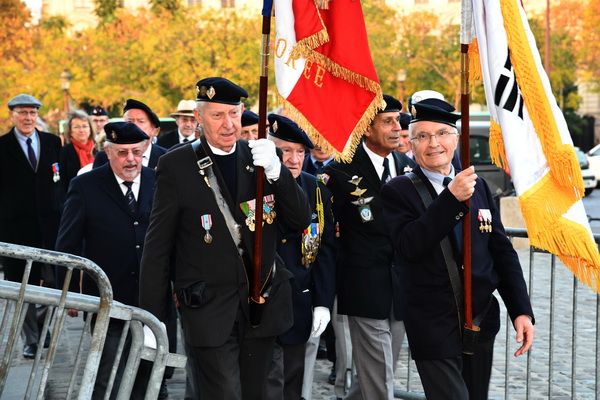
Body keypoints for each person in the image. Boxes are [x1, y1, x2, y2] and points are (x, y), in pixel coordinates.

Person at [139, 76, 312, 400]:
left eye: (233, 113)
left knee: (258, 394)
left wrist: (277, 172)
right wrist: (152, 319)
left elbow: (300, 220)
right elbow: (158, 247)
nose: (228, 124)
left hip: (262, 304)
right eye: (217, 115)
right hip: (208, 309)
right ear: (199, 117)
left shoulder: (260, 158)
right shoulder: (176, 165)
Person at [380, 97, 535, 400]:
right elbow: (409, 246)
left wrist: (521, 310)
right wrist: (450, 199)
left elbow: (501, 252)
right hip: (432, 324)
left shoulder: (478, 187)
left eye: (441, 133)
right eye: (422, 136)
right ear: (411, 144)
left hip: (479, 320)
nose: (433, 143)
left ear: (455, 138)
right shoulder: (398, 190)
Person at [322, 94, 416, 400]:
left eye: (398, 120)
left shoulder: (407, 167)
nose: (397, 128)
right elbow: (326, 232)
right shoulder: (340, 170)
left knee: (376, 373)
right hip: (362, 285)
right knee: (379, 375)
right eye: (388, 121)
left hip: (400, 285)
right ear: (366, 128)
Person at [56, 122, 155, 399]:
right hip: (108, 297)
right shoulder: (85, 186)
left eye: (136, 151)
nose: (131, 159)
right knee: (108, 374)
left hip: (152, 295)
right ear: (108, 152)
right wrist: (70, 291)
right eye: (122, 152)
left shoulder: (159, 181)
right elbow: (67, 243)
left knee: (149, 372)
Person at [264, 114, 336, 400]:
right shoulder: (253, 183)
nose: (294, 160)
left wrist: (323, 302)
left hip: (298, 299)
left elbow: (326, 250)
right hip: (259, 300)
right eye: (285, 151)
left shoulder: (316, 189)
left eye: (301, 152)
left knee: (292, 381)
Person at [0, 94, 62, 359]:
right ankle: (31, 339)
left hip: (50, 226)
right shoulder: (2, 146)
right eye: (23, 112)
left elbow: (60, 180)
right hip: (15, 229)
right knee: (22, 285)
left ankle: (41, 323)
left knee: (53, 280)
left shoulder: (52, 142)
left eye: (32, 112)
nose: (28, 117)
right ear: (12, 115)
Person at [93, 99, 166, 169]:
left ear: (155, 130)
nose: (134, 126)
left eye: (141, 121)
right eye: (129, 121)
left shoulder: (166, 156)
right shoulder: (104, 156)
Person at [59, 110, 95, 195]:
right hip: (75, 196)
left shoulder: (99, 149)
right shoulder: (63, 152)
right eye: (76, 127)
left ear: (90, 129)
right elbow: (62, 183)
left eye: (84, 126)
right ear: (70, 131)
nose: (81, 130)